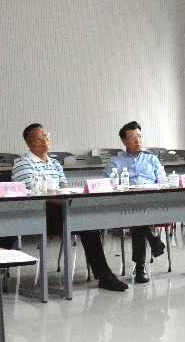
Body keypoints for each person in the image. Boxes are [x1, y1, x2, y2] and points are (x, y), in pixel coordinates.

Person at [12, 123, 128, 291]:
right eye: (39, 138)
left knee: (86, 222)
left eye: (46, 136)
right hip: (36, 214)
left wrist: (69, 201)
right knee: (83, 220)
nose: (45, 140)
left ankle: (105, 276)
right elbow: (34, 195)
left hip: (61, 210)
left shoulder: (55, 163)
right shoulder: (23, 163)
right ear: (29, 144)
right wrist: (66, 201)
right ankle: (105, 276)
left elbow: (64, 188)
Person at [103, 121, 166, 283]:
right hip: (125, 204)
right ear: (124, 142)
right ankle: (149, 247)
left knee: (139, 217)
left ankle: (141, 265)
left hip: (151, 201)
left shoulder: (152, 159)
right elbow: (105, 184)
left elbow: (163, 180)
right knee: (138, 215)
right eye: (133, 138)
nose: (138, 141)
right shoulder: (116, 162)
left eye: (140, 137)